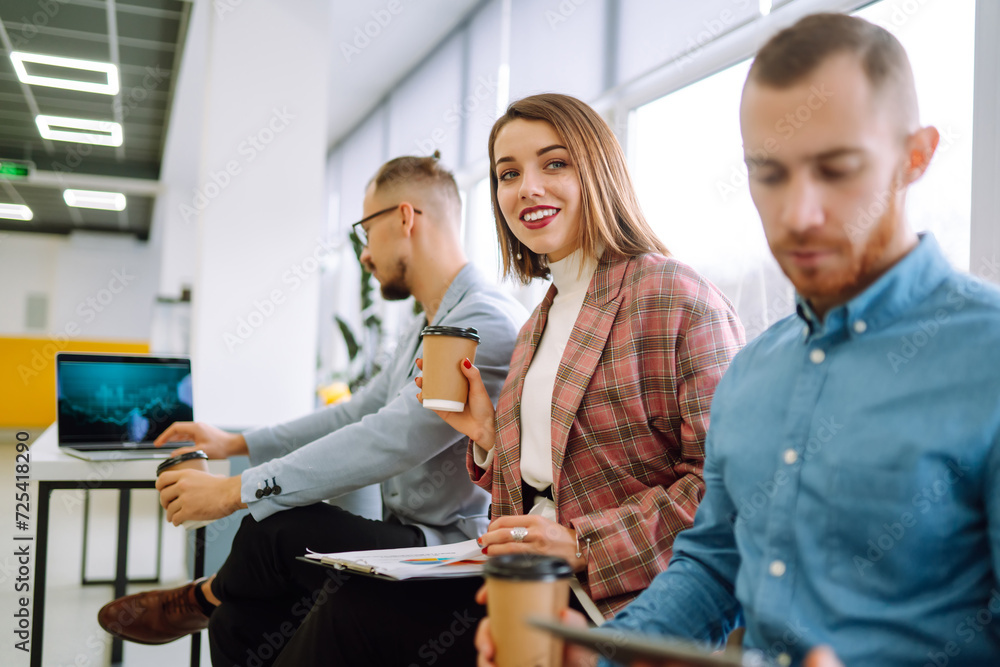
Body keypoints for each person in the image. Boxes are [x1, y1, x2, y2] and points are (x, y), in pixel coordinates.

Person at [501, 13, 1000, 667]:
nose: (797, 213)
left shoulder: (985, 358)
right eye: (769, 173)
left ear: (916, 157)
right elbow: (713, 568)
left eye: (836, 168)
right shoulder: (754, 371)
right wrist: (599, 657)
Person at [271, 93, 745, 666]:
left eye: (554, 164)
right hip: (524, 589)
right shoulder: (539, 320)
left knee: (346, 614)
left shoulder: (674, 296)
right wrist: (488, 436)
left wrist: (581, 543)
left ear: (598, 170)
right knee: (338, 600)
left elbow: (726, 494)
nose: (527, 189)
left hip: (620, 610)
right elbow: (549, 486)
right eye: (508, 174)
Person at [96, 154, 528, 667]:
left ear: (404, 218)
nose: (364, 254)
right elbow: (355, 412)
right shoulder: (425, 324)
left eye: (366, 230)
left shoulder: (483, 322)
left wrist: (234, 491)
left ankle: (201, 597)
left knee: (272, 530)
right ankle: (212, 601)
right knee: (238, 618)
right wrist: (235, 443)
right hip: (407, 536)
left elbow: (393, 437)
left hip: (448, 550)